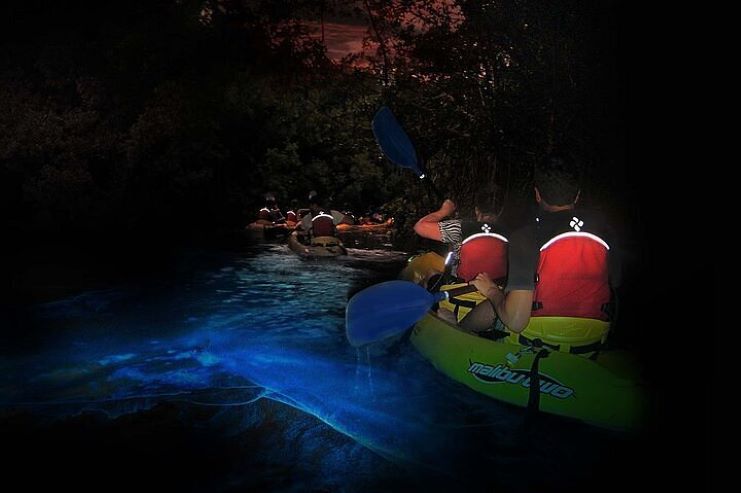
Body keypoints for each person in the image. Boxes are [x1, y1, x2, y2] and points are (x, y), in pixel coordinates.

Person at [462, 152, 620, 352]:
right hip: (593, 339)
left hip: (536, 341)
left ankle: (458, 332)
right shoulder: (605, 230)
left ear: (537, 194)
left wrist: (491, 290)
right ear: (577, 195)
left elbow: (516, 321)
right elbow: (615, 288)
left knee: (498, 299)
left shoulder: (525, 237)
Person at [413, 189, 508, 283]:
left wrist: (444, 211)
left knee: (430, 272)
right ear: (500, 211)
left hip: (462, 290)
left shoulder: (461, 228)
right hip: (498, 289)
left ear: (476, 210)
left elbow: (419, 227)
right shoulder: (509, 233)